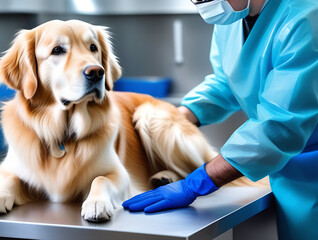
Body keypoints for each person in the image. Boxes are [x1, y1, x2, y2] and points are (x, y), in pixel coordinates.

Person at [122, 0, 318, 239]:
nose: (203, 4)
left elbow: (279, 126)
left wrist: (196, 182)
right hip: (289, 170)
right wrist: (176, 119)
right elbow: (227, 81)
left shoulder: (305, 18)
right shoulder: (234, 18)